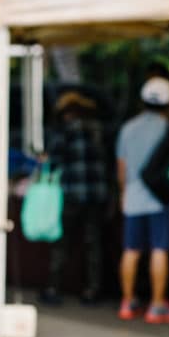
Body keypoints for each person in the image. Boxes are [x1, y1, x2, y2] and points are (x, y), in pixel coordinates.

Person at [116, 74, 169, 324]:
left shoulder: (128, 129)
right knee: (159, 250)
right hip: (162, 200)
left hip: (133, 198)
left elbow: (121, 168)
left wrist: (123, 193)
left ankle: (127, 302)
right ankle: (157, 305)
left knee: (131, 250)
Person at [39, 91, 111, 305]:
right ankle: (92, 290)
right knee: (93, 243)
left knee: (62, 242)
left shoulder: (65, 131)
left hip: (71, 192)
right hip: (97, 193)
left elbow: (54, 161)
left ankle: (54, 288)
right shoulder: (100, 130)